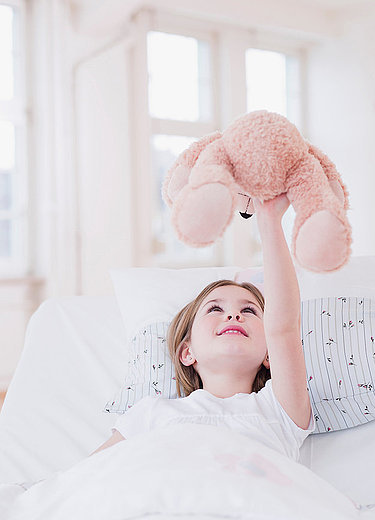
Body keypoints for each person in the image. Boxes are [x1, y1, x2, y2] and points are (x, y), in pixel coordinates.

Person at [90, 194, 315, 460]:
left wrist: (269, 219)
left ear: (269, 354)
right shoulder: (151, 413)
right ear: (187, 351)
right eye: (215, 309)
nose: (233, 315)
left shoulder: (278, 410)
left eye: (249, 310)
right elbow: (87, 476)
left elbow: (284, 327)